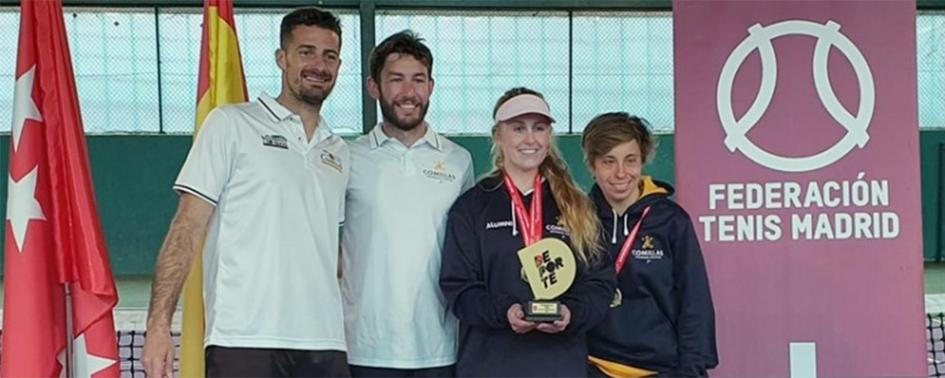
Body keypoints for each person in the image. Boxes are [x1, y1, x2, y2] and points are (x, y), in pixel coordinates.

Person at [141, 7, 351, 378]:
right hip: (243, 340)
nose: (319, 65)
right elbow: (187, 227)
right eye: (306, 52)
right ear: (281, 58)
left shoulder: (338, 150)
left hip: (324, 345)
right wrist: (158, 325)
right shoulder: (230, 123)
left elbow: (328, 252)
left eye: (329, 55)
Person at [439, 87, 615, 377]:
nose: (530, 139)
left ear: (549, 136)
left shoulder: (578, 206)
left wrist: (571, 312)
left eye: (539, 128)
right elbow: (458, 288)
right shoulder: (471, 207)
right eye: (518, 128)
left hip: (560, 366)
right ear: (498, 135)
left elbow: (599, 284)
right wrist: (504, 311)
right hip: (489, 367)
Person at [341, 30, 474, 377]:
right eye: (396, 80)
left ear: (431, 86)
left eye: (418, 80)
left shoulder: (459, 161)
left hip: (439, 348)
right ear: (374, 87)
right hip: (364, 349)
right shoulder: (347, 158)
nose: (408, 92)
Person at [582, 113, 718, 377]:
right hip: (591, 366)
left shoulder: (670, 221)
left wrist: (691, 369)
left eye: (630, 160)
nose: (620, 173)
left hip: (660, 368)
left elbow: (694, 301)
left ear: (642, 160)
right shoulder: (577, 219)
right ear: (592, 165)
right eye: (608, 161)